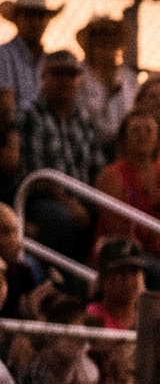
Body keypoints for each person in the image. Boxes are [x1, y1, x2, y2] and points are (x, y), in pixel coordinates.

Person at [20, 52, 106, 261]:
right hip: (42, 200)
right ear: (43, 77)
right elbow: (35, 176)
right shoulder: (29, 115)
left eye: (72, 74)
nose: (65, 81)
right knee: (59, 218)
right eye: (58, 74)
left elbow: (98, 169)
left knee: (113, 216)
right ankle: (65, 284)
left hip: (83, 198)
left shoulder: (84, 120)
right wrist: (68, 202)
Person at [93, 106, 160, 286]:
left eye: (149, 130)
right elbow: (118, 231)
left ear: (157, 138)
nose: (143, 135)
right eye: (135, 130)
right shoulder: (112, 176)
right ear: (124, 139)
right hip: (124, 255)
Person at [72, 16, 136, 149]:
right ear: (90, 47)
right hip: (88, 145)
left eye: (112, 44)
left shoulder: (129, 79)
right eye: (101, 44)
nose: (107, 50)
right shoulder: (79, 77)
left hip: (124, 148)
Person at [0, 0, 59, 113]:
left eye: (41, 16)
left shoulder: (49, 62)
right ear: (17, 18)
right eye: (29, 15)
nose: (36, 22)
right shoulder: (3, 55)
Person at [82, 237, 149, 330]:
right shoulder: (92, 317)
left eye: (133, 272)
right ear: (104, 278)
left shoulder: (146, 318)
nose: (129, 280)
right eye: (121, 272)